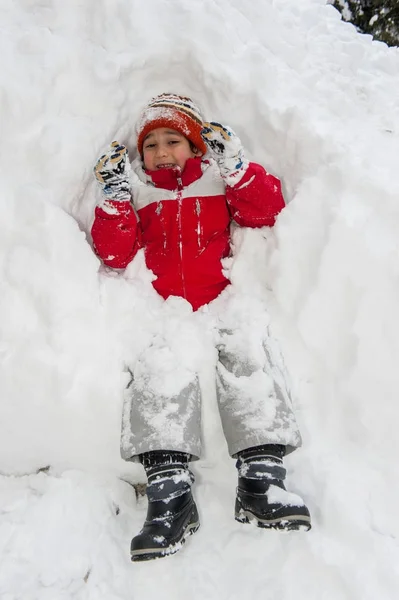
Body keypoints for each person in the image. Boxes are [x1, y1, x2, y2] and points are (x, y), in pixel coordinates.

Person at [92, 93, 311, 562]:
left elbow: (264, 210)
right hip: (165, 307)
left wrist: (236, 168)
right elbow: (114, 253)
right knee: (157, 375)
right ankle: (169, 495)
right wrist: (114, 198)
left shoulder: (217, 181)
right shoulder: (140, 191)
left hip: (223, 300)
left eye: (173, 140)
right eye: (150, 144)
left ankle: (261, 479)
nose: (161, 152)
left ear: (195, 147)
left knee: (248, 358)